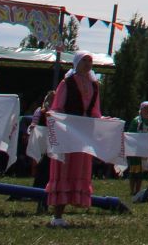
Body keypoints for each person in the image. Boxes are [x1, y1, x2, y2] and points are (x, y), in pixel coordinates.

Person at [40, 50, 104, 227]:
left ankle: (74, 202)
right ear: (76, 63)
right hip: (67, 131)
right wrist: (58, 123)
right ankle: (57, 215)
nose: (88, 64)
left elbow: (95, 110)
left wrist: (102, 121)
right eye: (85, 61)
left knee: (79, 167)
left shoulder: (94, 85)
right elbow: (58, 107)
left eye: (90, 61)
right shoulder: (67, 83)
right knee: (64, 168)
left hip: (84, 132)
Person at [128, 100, 148, 203]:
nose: (147, 110)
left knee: (141, 173)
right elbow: (131, 133)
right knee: (134, 171)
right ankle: (132, 190)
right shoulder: (136, 121)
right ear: (141, 109)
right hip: (136, 149)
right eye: (145, 108)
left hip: (147, 149)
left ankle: (138, 190)